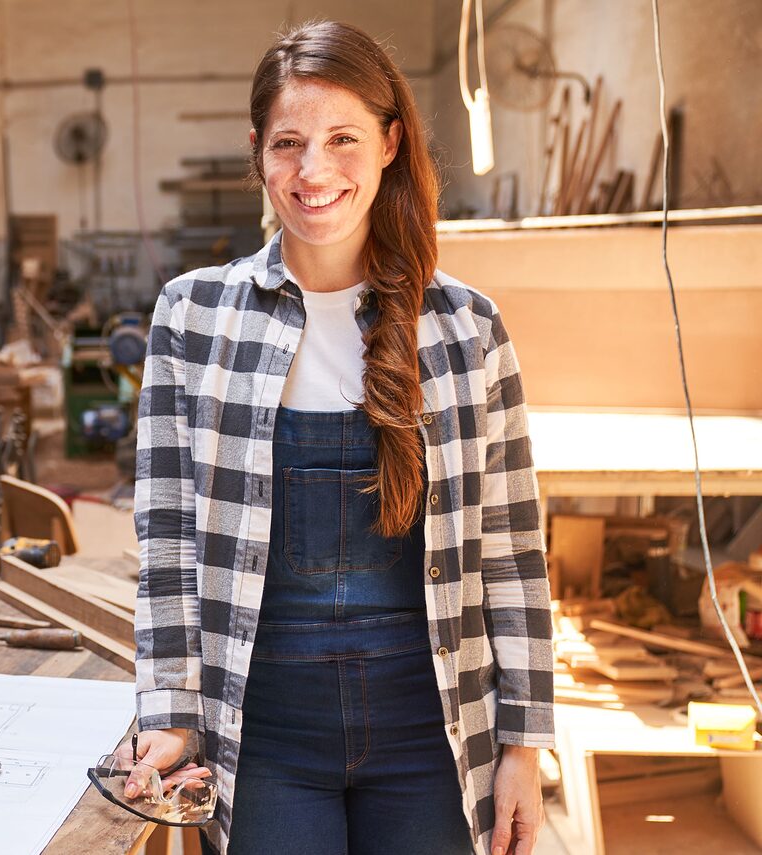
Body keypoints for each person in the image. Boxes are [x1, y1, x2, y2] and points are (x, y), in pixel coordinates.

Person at [126, 21, 553, 855]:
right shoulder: (193, 317)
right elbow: (168, 541)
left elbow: (511, 547)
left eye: (342, 139)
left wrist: (523, 744)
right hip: (267, 730)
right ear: (257, 152)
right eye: (288, 143)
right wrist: (171, 716)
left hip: (430, 727)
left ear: (391, 143)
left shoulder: (465, 328)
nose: (313, 171)